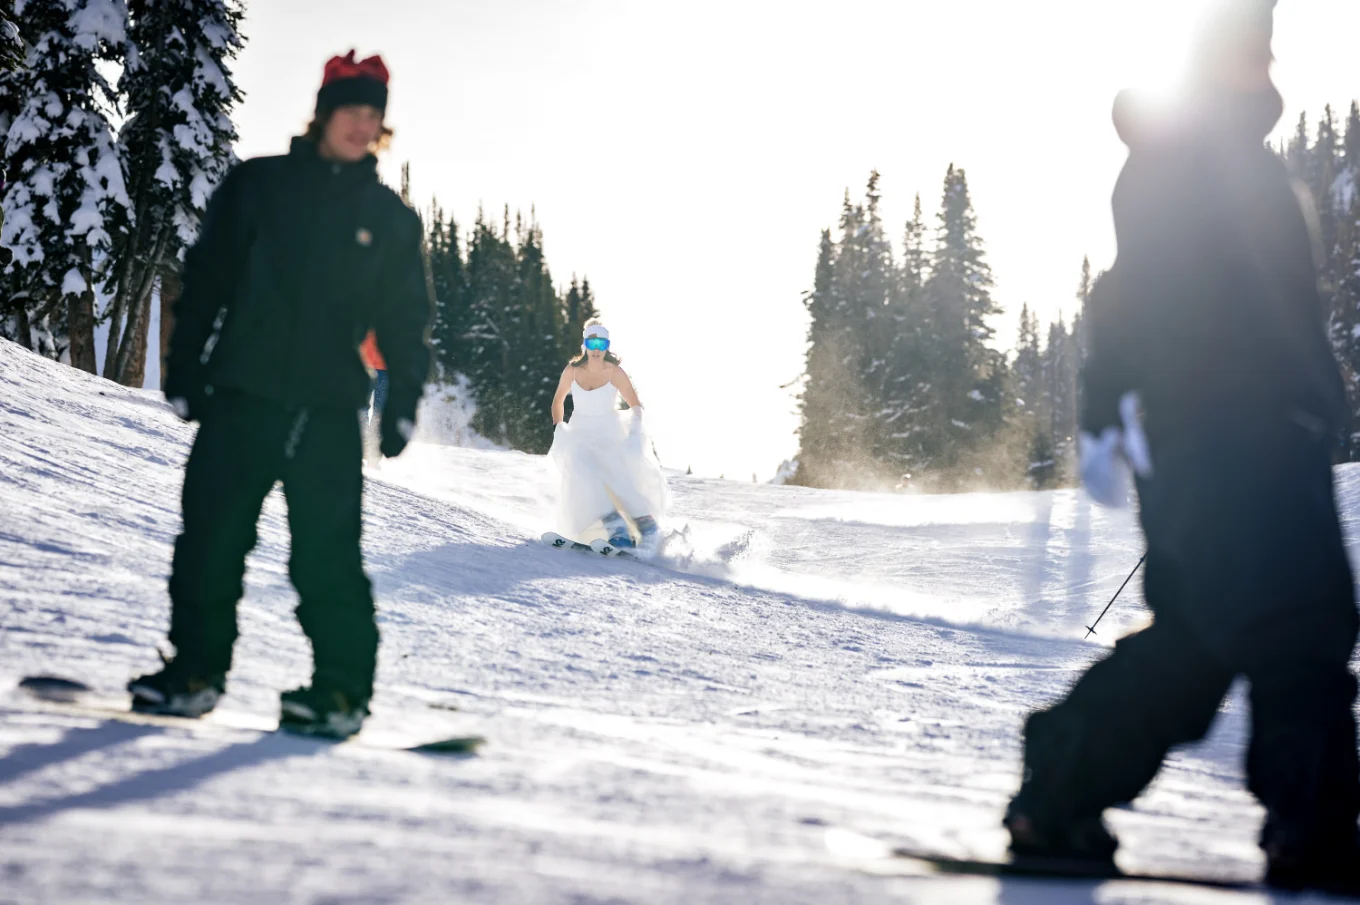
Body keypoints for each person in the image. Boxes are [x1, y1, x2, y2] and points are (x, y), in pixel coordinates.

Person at [1003, 0, 1359, 893]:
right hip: (1228, 430)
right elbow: (1133, 288)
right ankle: (1313, 827)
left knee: (1203, 639)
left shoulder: (1230, 154)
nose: (1266, 64)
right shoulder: (1187, 155)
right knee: (1301, 620)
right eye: (1252, 47)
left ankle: (1064, 785)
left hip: (1255, 427)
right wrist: (1109, 400)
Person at [130, 50, 434, 739]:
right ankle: (194, 674)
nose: (361, 125)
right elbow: (206, 280)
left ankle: (339, 693)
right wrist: (184, 368)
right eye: (350, 110)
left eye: (373, 115)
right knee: (210, 542)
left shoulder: (388, 218)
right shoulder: (257, 186)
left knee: (326, 556)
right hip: (241, 392)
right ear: (324, 111)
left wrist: (403, 400)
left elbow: (405, 320)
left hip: (327, 409)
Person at [548, 321, 666, 555]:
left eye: (601, 343)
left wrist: (634, 430)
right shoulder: (572, 370)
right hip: (580, 433)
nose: (596, 348)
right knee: (585, 479)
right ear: (585, 344)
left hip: (608, 432)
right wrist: (558, 427)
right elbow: (558, 400)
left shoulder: (614, 371)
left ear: (607, 345)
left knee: (620, 481)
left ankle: (647, 527)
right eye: (592, 342)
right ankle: (616, 529)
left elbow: (635, 404)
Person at [361, 329, 388, 462]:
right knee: (361, 406)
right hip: (366, 366)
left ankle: (373, 450)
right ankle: (362, 443)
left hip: (385, 369)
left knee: (379, 410)